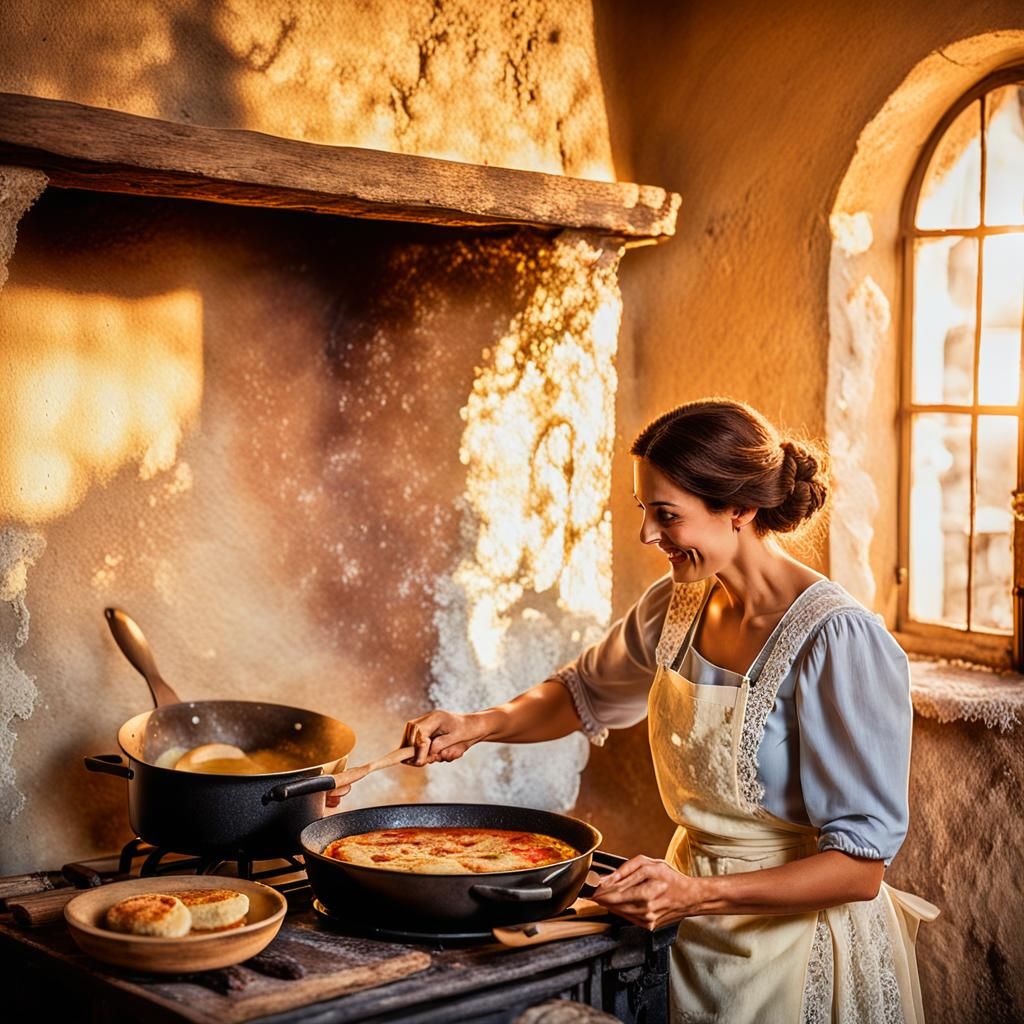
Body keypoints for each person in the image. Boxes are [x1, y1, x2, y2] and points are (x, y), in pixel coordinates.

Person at [394, 397, 939, 1023]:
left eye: (666, 515)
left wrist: (698, 894)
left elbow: (859, 869)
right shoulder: (676, 606)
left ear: (739, 508)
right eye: (643, 511)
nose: (647, 535)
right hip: (687, 932)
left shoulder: (837, 640)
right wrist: (477, 724)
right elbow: (582, 693)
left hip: (797, 947)